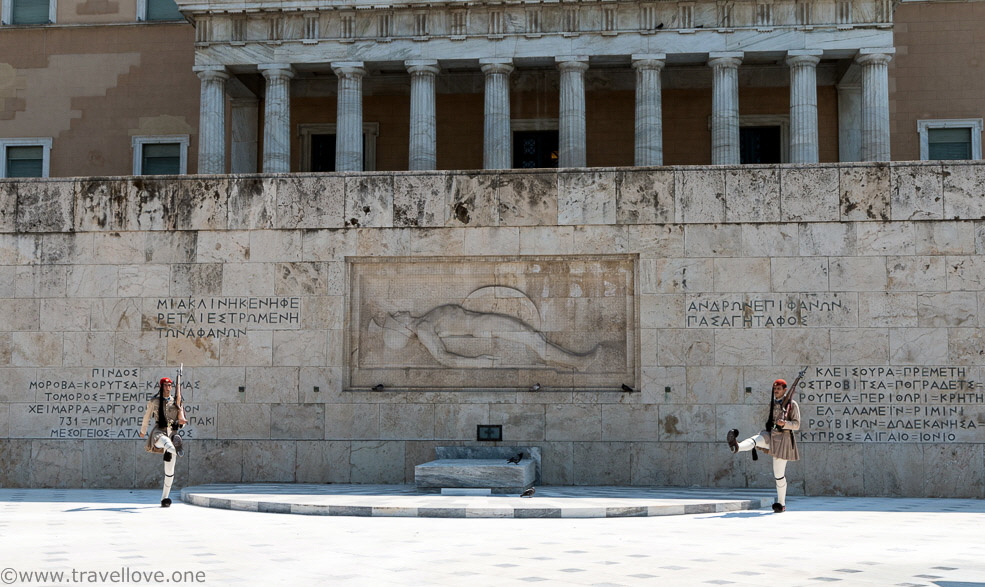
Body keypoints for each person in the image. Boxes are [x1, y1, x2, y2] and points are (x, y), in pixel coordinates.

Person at [373, 305, 599, 371]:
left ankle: (576, 362)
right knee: (534, 340)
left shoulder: (425, 320)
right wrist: (477, 362)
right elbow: (444, 358)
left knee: (534, 338)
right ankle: (579, 363)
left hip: (485, 322)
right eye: (396, 317)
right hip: (486, 325)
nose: (398, 312)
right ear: (402, 326)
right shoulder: (423, 329)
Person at [726, 376, 802, 513]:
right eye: (774, 389)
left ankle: (781, 503)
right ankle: (737, 446)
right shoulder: (772, 403)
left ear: (785, 390)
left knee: (779, 475)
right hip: (771, 434)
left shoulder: (792, 404)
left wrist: (785, 423)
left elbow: (796, 425)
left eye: (778, 389)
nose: (776, 391)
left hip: (783, 440)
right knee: (757, 439)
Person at [139, 377, 185, 508]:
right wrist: (143, 431)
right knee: (166, 442)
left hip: (173, 434)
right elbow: (146, 417)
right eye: (165, 385)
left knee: (169, 472)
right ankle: (177, 449)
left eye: (170, 385)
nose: (168, 387)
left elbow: (182, 422)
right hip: (159, 432)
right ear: (161, 386)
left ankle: (165, 498)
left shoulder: (176, 402)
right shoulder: (154, 401)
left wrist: (181, 424)